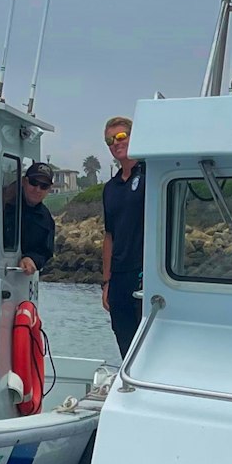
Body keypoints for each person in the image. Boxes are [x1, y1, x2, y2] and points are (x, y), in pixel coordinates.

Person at [99, 116, 144, 356]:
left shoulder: (151, 175)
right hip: (119, 278)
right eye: (110, 140)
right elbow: (109, 235)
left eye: (120, 137)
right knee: (126, 346)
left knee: (146, 341)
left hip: (145, 274)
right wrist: (106, 283)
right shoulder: (111, 188)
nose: (115, 143)